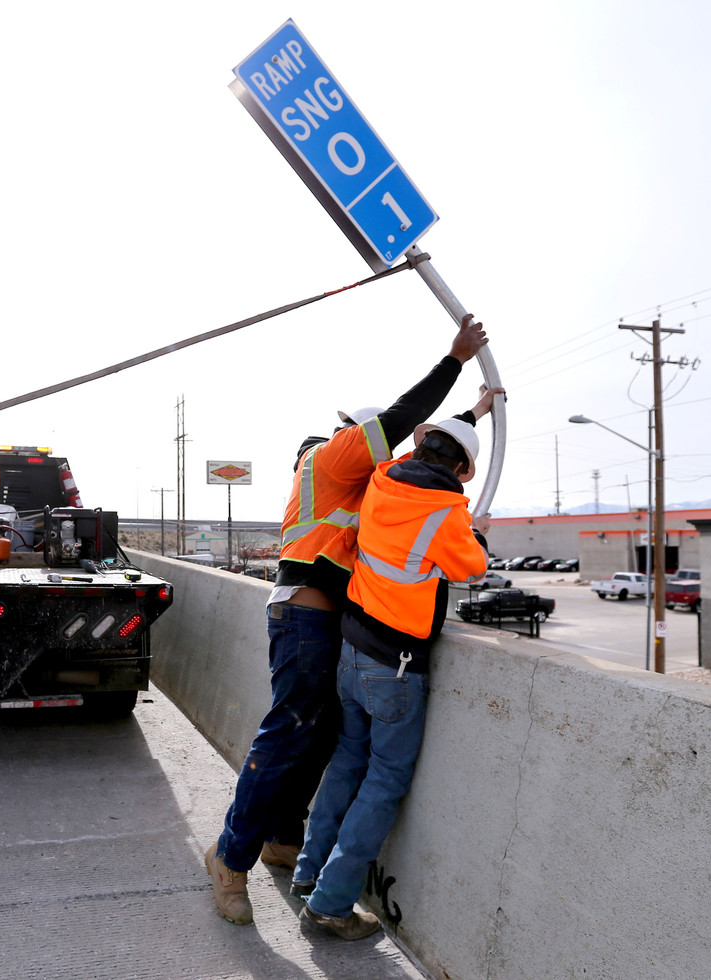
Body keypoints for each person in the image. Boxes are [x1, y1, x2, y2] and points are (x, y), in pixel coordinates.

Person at [205, 313, 500, 925]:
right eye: (378, 442)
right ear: (352, 434)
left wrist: (469, 418)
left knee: (323, 736)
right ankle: (230, 856)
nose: (387, 454)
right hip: (306, 616)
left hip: (338, 630)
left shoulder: (368, 482)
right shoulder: (331, 457)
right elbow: (401, 424)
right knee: (290, 733)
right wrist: (454, 359)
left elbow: (428, 454)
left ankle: (282, 838)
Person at [293, 412, 494, 941]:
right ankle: (330, 904)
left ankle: (307, 871)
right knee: (383, 782)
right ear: (464, 471)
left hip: (351, 651)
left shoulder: (381, 480)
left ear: (421, 448)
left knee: (346, 763)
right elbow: (472, 567)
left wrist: (472, 412)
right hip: (395, 667)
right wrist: (477, 533)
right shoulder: (447, 512)